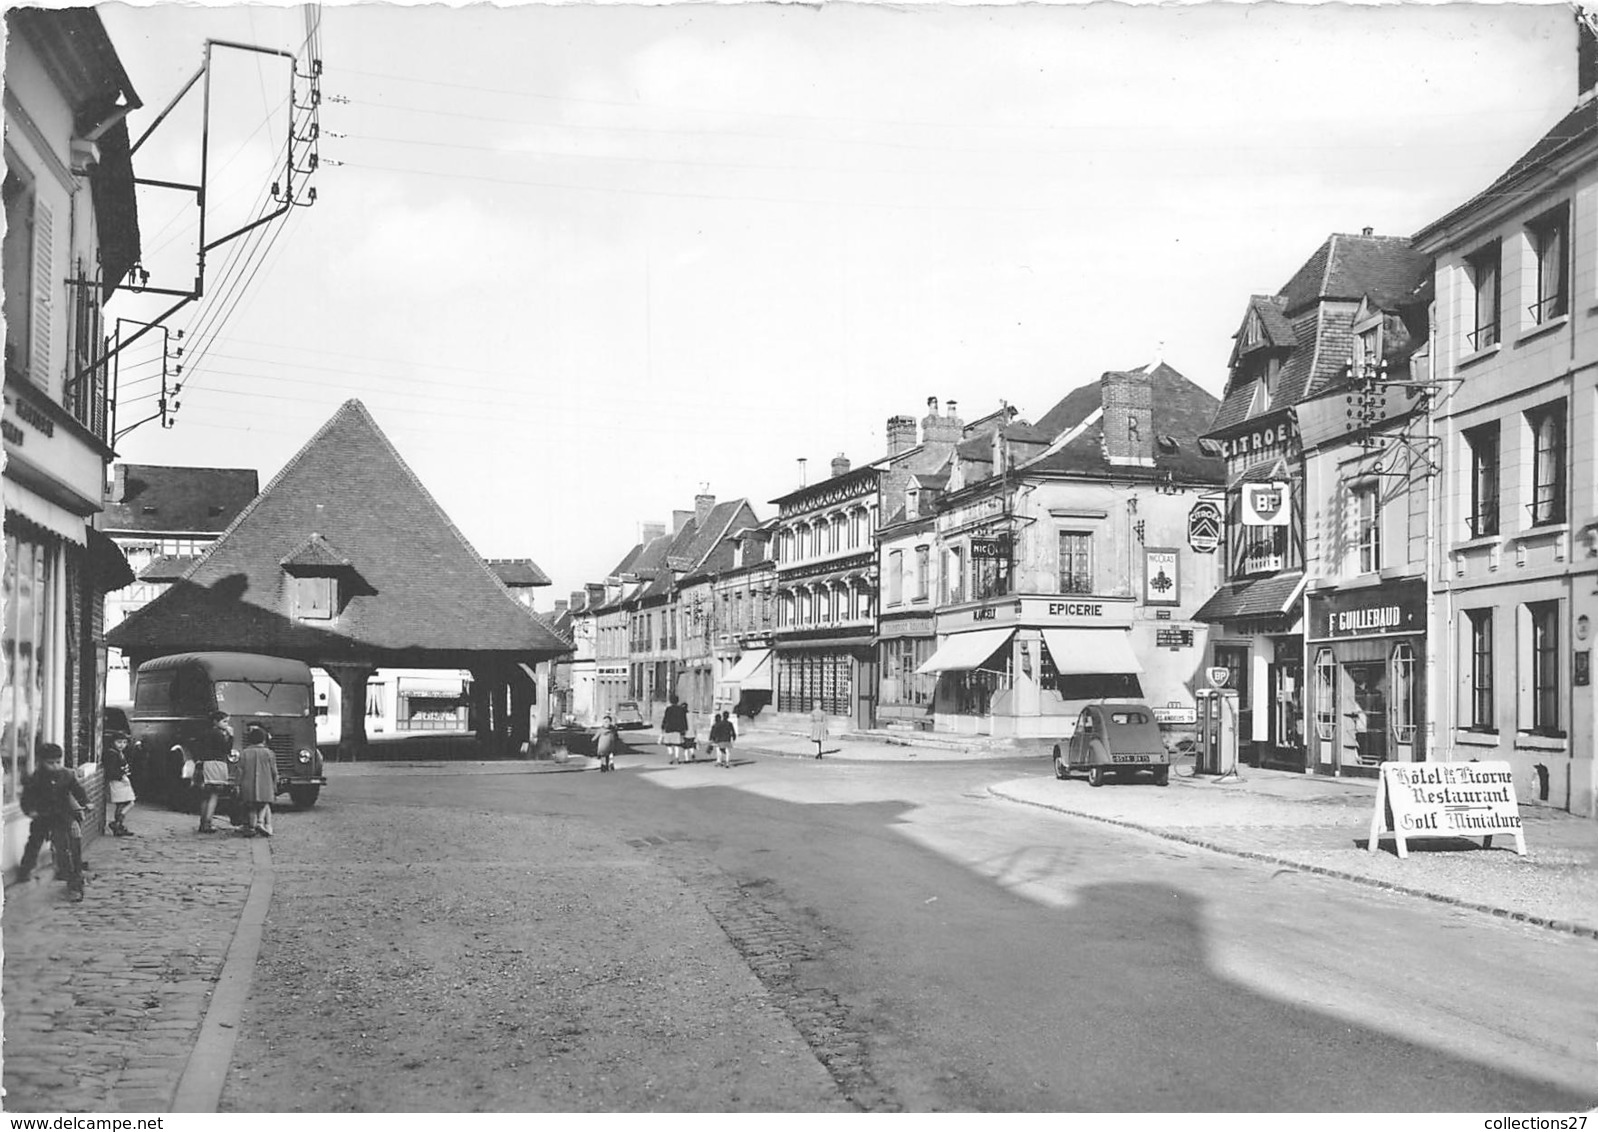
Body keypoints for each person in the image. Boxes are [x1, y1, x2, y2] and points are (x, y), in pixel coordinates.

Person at [16, 743, 87, 900]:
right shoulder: (36, 778)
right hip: (42, 815)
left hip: (61, 816)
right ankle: (25, 870)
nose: (55, 766)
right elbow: (26, 798)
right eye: (50, 763)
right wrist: (30, 810)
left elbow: (77, 790)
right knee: (34, 843)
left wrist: (85, 802)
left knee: (64, 848)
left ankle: (74, 885)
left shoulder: (66, 775)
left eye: (57, 762)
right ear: (41, 762)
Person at [236, 725, 279, 837]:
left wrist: (237, 784)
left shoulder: (244, 753)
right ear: (264, 739)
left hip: (247, 784)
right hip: (266, 784)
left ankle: (251, 826)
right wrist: (275, 783)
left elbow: (240, 771)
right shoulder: (269, 753)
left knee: (251, 806)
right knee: (264, 803)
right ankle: (261, 822)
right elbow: (274, 771)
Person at [197, 710, 234, 834]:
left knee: (205, 795)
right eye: (224, 722)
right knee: (214, 794)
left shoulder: (205, 733)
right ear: (216, 721)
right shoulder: (219, 735)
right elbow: (226, 749)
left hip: (206, 764)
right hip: (217, 764)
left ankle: (203, 822)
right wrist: (231, 736)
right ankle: (208, 823)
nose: (226, 724)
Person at [104, 732, 137, 837]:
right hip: (118, 782)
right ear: (113, 742)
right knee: (127, 803)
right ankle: (117, 824)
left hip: (122, 781)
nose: (122, 745)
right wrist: (121, 776)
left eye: (124, 742)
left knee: (124, 803)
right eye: (119, 742)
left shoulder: (119, 753)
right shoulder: (112, 754)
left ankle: (119, 824)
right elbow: (111, 771)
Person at [661, 696, 690, 765]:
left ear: (671, 701)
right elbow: (684, 720)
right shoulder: (681, 709)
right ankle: (677, 758)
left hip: (669, 729)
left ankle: (671, 756)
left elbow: (665, 718)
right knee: (677, 744)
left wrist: (663, 726)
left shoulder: (668, 709)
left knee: (668, 744)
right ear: (677, 701)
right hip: (678, 729)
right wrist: (685, 728)